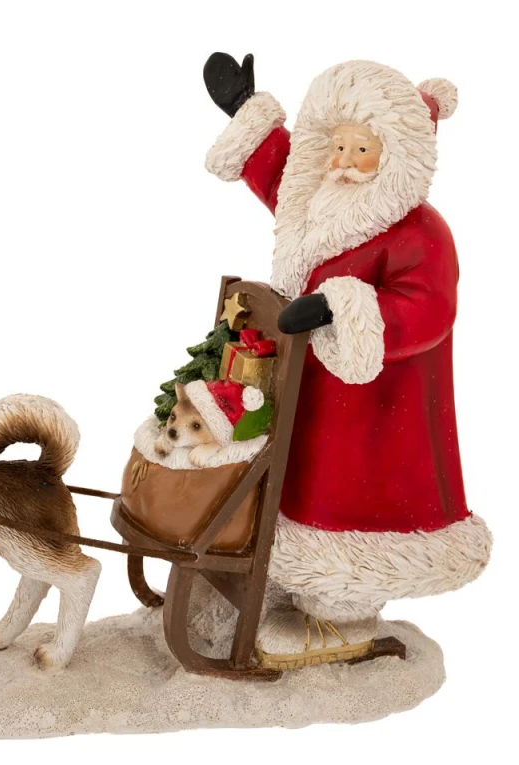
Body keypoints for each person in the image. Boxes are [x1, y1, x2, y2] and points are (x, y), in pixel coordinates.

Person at [203, 56, 491, 668]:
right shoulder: (325, 202)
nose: (344, 160)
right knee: (302, 482)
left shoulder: (420, 232)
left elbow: (428, 309)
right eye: (337, 145)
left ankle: (344, 616)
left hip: (377, 404)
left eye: (362, 148)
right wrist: (249, 115)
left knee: (351, 504)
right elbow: (285, 181)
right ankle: (288, 579)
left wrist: (344, 308)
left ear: (395, 154)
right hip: (310, 385)